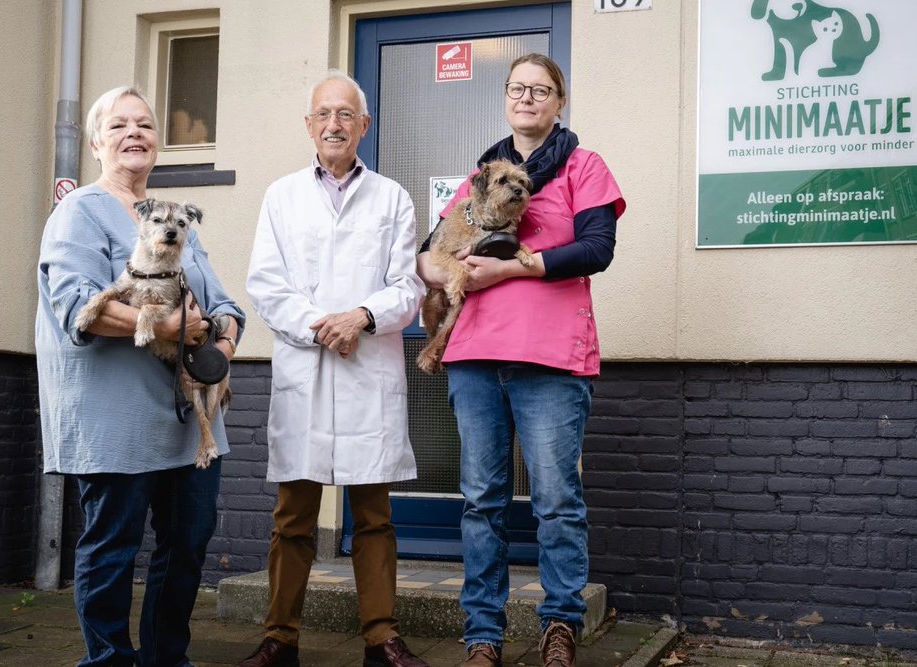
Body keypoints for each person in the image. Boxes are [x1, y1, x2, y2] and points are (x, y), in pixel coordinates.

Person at [415, 54, 626, 667]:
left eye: (540, 89)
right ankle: (483, 633)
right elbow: (429, 253)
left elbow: (596, 249)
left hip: (550, 358)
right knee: (482, 501)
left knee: (556, 500)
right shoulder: (482, 175)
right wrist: (447, 272)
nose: (527, 98)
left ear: (560, 100)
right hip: (474, 356)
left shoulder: (584, 166)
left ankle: (560, 625)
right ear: (505, 98)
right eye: (516, 88)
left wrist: (510, 269)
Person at [35, 85, 245, 667]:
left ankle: (165, 658)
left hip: (188, 424)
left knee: (186, 548)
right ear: (95, 143)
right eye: (119, 125)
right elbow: (76, 304)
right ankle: (107, 660)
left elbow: (225, 305)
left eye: (146, 125)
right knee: (112, 549)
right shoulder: (79, 211)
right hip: (116, 418)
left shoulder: (173, 220)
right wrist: (171, 325)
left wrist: (222, 346)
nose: (135, 133)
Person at [240, 71, 428, 667]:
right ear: (308, 125)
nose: (334, 124)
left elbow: (408, 288)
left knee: (373, 516)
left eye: (346, 114)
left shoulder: (393, 198)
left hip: (368, 367)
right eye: (323, 114)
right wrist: (324, 326)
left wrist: (363, 317)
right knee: (293, 517)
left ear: (364, 125)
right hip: (307, 367)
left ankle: (381, 639)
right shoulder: (281, 196)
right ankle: (280, 639)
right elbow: (266, 284)